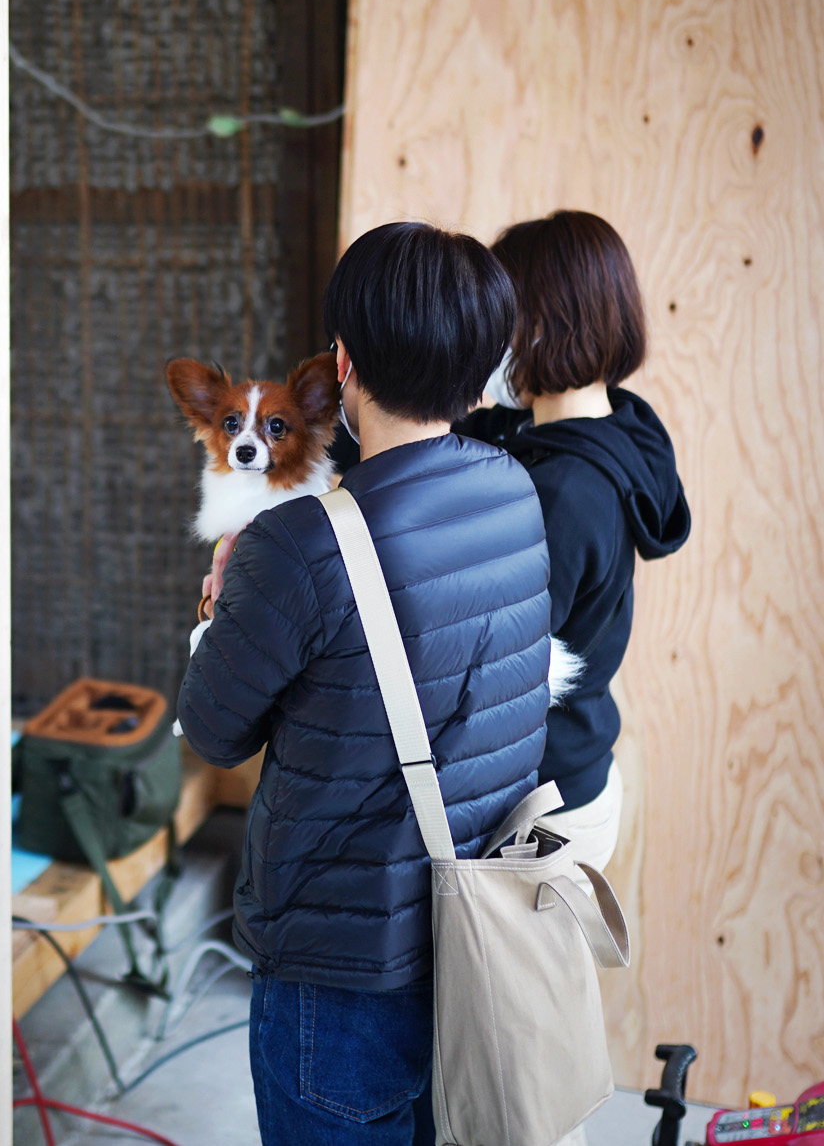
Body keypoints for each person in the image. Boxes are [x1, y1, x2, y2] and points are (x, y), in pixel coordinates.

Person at [177, 221, 558, 1146]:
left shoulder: (297, 544)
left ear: (342, 364)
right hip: (473, 938)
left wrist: (214, 620)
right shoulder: (514, 491)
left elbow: (213, 731)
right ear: (483, 374)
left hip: (337, 971)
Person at [456, 209, 691, 872]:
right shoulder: (614, 431)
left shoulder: (565, 494)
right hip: (575, 773)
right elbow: (462, 433)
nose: (490, 340)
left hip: (541, 810)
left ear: (539, 325)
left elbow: (491, 675)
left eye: (500, 319)